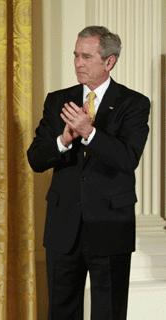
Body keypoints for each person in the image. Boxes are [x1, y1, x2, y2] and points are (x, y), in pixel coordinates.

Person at [27, 26, 150, 319]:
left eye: (86, 56)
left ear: (109, 62)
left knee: (108, 312)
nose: (78, 63)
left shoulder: (134, 103)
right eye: (75, 55)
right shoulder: (58, 100)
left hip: (109, 226)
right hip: (63, 226)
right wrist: (64, 140)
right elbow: (36, 159)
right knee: (61, 312)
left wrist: (89, 132)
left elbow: (126, 158)